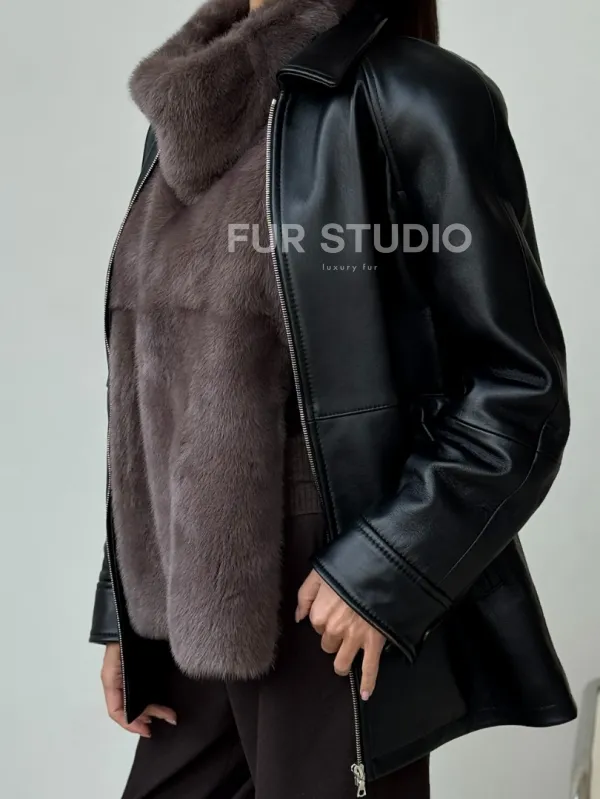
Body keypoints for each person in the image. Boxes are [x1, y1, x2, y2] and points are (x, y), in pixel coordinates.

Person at [89, 0, 577, 796]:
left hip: (327, 581)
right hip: (186, 597)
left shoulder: (416, 95)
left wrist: (386, 568)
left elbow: (519, 388)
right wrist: (125, 606)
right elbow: (151, 388)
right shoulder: (184, 114)